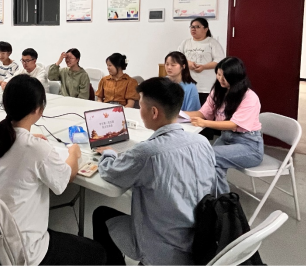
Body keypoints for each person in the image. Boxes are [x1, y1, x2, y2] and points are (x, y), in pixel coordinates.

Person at [0, 75, 107, 266]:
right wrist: (74, 153)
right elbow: (67, 177)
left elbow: (18, 149)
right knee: (98, 253)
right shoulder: (35, 148)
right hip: (25, 252)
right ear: (38, 109)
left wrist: (30, 138)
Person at [92, 77, 217, 266]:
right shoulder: (203, 142)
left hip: (163, 249)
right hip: (201, 241)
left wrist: (109, 154)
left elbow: (111, 173)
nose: (139, 111)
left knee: (101, 215)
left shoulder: (147, 152)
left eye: (140, 106)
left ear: (154, 112)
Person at [185, 57, 263, 195]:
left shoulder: (249, 97)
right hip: (227, 138)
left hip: (249, 145)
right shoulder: (218, 91)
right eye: (218, 74)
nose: (220, 79)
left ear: (235, 77)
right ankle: (216, 198)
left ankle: (220, 201)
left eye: (224, 76)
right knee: (209, 161)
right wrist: (176, 114)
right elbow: (203, 113)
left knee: (208, 156)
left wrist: (205, 123)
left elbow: (233, 124)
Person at [177, 17, 225, 105]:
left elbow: (220, 61)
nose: (193, 29)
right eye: (192, 27)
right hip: (187, 84)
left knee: (204, 110)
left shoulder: (212, 42)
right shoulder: (185, 42)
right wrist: (187, 63)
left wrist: (204, 67)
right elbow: (177, 58)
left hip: (206, 86)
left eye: (197, 27)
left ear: (206, 29)